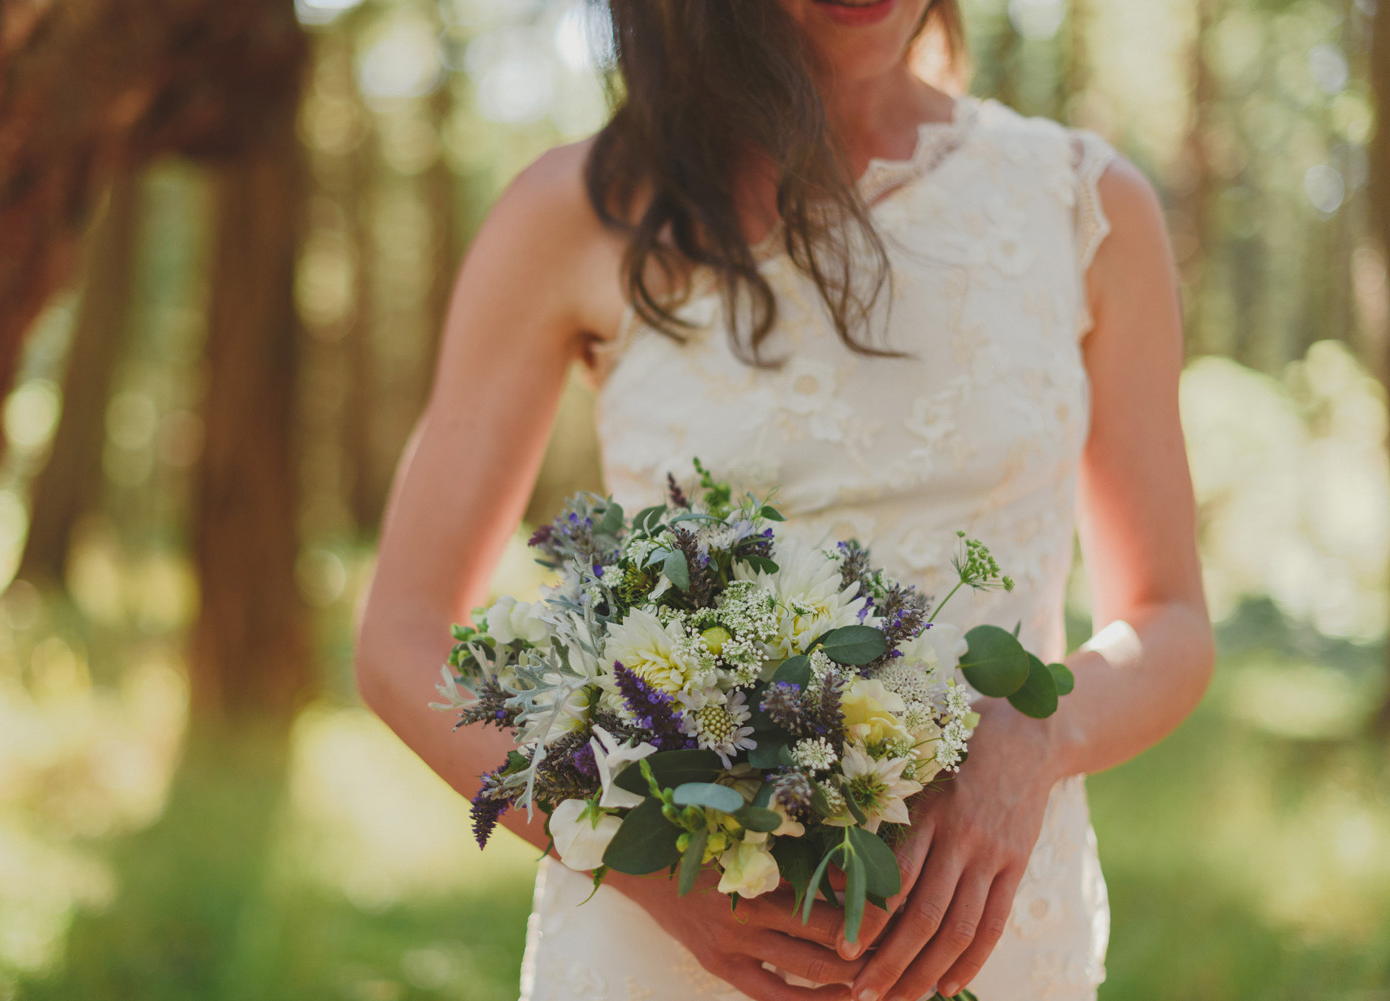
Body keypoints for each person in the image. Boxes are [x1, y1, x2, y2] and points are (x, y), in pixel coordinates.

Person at [352, 1, 1216, 999]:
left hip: (993, 938)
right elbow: (403, 635)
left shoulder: (1085, 205)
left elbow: (1170, 619)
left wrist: (1039, 735)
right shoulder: (581, 210)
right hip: (675, 951)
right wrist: (625, 852)